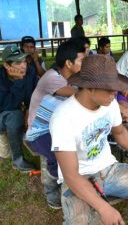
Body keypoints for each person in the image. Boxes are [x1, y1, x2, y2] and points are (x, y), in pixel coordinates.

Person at [50, 55, 128, 224]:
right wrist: (104, 209)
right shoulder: (63, 117)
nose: (115, 94)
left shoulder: (109, 104)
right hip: (79, 178)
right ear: (89, 87)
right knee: (80, 222)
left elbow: (119, 132)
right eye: (110, 89)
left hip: (109, 170)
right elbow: (71, 175)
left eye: (116, 88)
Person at [25, 40, 85, 209]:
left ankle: (66, 180)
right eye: (82, 61)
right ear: (68, 63)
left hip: (58, 126)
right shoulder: (53, 79)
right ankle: (52, 189)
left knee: (78, 151)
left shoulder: (69, 76)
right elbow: (81, 95)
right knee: (59, 157)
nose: (85, 64)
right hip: (40, 131)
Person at [0, 46, 37, 171]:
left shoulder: (30, 71)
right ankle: (17, 160)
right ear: (6, 65)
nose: (23, 66)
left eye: (24, 60)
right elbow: (8, 106)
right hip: (2, 114)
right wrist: (19, 81)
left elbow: (33, 94)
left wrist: (28, 110)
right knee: (15, 116)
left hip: (15, 109)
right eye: (18, 62)